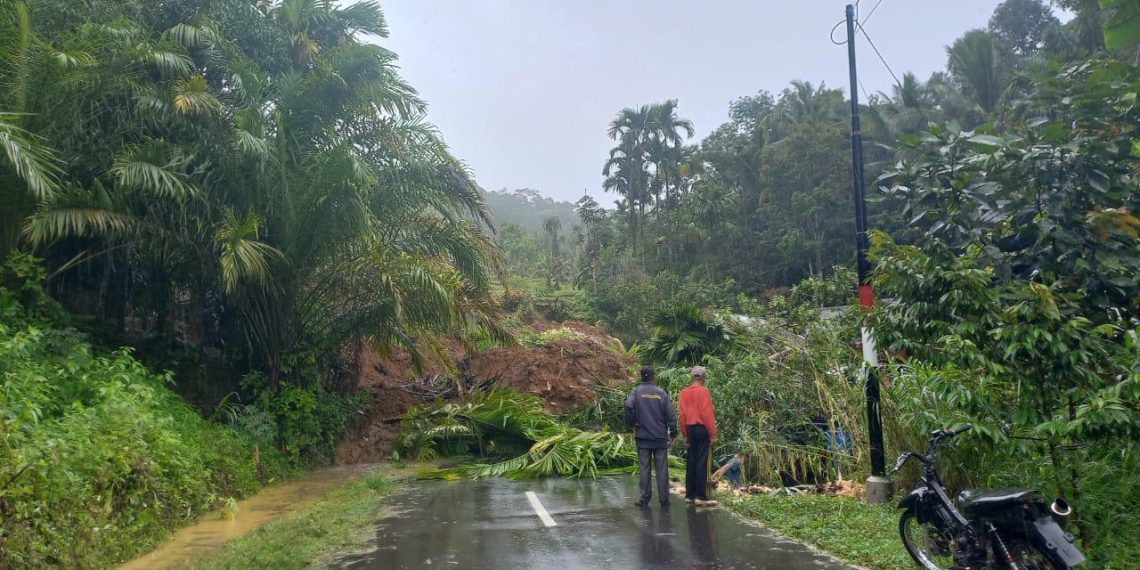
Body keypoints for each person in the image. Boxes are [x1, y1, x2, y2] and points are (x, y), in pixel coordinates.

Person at [625, 365, 677, 507]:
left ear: (642, 377)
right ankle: (664, 500)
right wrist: (673, 432)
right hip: (659, 437)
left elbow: (628, 406)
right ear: (654, 376)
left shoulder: (636, 392)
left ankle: (644, 499)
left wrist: (633, 422)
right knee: (661, 469)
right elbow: (670, 415)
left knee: (644, 468)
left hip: (642, 437)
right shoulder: (661, 393)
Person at [678, 365, 717, 506]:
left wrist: (685, 435)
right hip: (702, 429)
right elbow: (707, 414)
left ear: (692, 377)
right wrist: (712, 434)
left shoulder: (684, 392)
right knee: (702, 462)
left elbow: (682, 415)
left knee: (691, 461)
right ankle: (701, 495)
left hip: (690, 429)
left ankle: (690, 494)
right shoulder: (704, 391)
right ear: (703, 378)